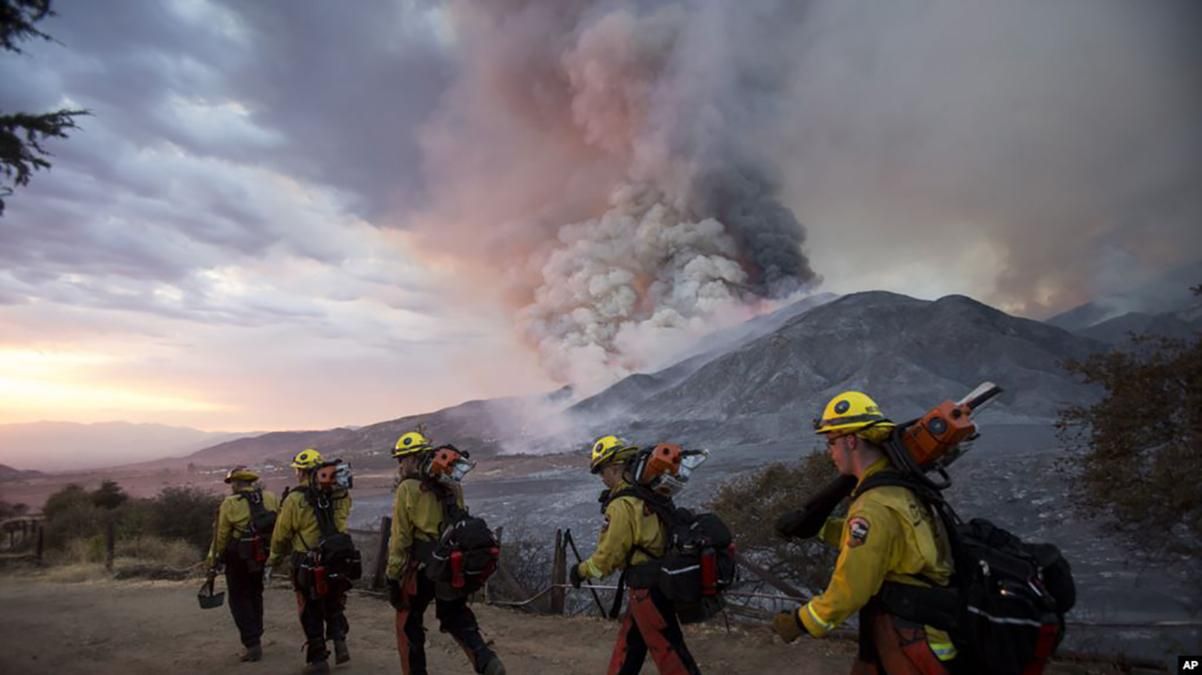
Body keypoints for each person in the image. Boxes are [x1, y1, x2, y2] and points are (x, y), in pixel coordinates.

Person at [770, 391, 957, 674]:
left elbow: (849, 590)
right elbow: (881, 544)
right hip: (923, 635)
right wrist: (817, 528)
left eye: (831, 442)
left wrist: (800, 621)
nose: (830, 452)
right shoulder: (898, 488)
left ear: (851, 441)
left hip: (909, 643)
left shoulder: (872, 507)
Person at [572, 434, 701, 675]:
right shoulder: (649, 495)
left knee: (669, 651)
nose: (602, 478)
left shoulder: (622, 504)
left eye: (602, 471)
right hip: (655, 583)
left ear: (615, 467)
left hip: (647, 590)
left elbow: (608, 558)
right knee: (630, 645)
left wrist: (580, 571)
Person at [385, 430, 505, 675]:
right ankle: (486, 660)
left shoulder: (407, 488)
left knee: (409, 621)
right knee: (455, 615)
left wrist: (392, 576)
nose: (400, 465)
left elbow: (400, 538)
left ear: (410, 459)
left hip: (421, 567)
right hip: (451, 563)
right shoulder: (452, 484)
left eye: (401, 459)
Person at [266, 448, 353, 674]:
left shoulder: (295, 499)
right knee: (334, 601)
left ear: (303, 472)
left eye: (298, 470)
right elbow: (343, 518)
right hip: (336, 558)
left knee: (310, 610)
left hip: (306, 559)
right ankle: (339, 641)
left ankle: (318, 660)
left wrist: (274, 558)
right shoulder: (338, 495)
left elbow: (282, 533)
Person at [205, 465, 279, 662]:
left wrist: (212, 559)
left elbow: (221, 536)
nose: (232, 486)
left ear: (237, 483)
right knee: (255, 594)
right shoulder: (270, 498)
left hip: (238, 557)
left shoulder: (230, 503)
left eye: (232, 483)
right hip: (261, 554)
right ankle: (256, 634)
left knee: (239, 598)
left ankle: (252, 644)